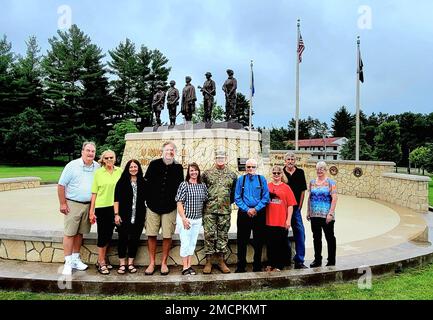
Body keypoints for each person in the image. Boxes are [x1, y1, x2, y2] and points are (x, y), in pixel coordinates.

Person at [57, 141, 100, 275]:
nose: (90, 153)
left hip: (88, 205)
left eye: (93, 151)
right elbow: (61, 185)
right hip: (73, 204)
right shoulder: (72, 165)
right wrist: (63, 203)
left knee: (80, 233)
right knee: (70, 233)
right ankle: (68, 262)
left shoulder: (97, 167)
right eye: (88, 150)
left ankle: (75, 258)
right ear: (82, 151)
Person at [144, 141, 184, 275]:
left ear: (175, 152)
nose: (170, 152)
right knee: (151, 234)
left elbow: (180, 188)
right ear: (163, 151)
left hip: (170, 207)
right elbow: (147, 183)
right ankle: (151, 262)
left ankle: (164, 263)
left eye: (172, 150)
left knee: (167, 236)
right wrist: (147, 200)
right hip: (152, 206)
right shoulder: (154, 164)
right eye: (167, 150)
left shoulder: (178, 167)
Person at [201, 150, 237, 274]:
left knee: (223, 235)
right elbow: (202, 190)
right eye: (218, 157)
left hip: (225, 210)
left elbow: (233, 193)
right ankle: (209, 262)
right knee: (209, 235)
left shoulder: (232, 175)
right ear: (214, 158)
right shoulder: (206, 174)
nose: (220, 159)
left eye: (222, 157)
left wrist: (226, 203)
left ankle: (221, 261)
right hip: (209, 210)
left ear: (226, 158)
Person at [89, 150, 122, 275]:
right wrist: (91, 211)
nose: (109, 160)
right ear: (103, 160)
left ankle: (103, 259)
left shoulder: (119, 171)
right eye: (106, 158)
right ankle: (101, 261)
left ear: (115, 158)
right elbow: (94, 193)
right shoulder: (98, 173)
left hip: (116, 207)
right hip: (102, 207)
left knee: (109, 235)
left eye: (111, 157)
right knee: (103, 235)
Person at [234, 159, 270, 273]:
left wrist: (256, 209)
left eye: (253, 167)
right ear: (245, 168)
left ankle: (257, 265)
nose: (250, 169)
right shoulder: (241, 180)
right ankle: (241, 266)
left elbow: (266, 197)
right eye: (248, 167)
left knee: (258, 241)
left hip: (258, 213)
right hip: (244, 213)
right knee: (242, 241)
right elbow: (237, 197)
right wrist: (247, 209)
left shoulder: (261, 179)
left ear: (256, 167)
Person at [113, 159, 147, 274]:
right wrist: (116, 214)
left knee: (134, 240)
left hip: (138, 216)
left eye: (135, 167)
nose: (133, 169)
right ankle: (122, 264)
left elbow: (147, 200)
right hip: (124, 216)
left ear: (138, 168)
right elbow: (116, 199)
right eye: (131, 167)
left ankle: (131, 263)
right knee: (122, 239)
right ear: (128, 169)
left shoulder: (143, 182)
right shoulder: (122, 182)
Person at [175, 163, 208, 275]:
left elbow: (205, 201)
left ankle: (189, 265)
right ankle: (185, 267)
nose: (194, 172)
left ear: (198, 171)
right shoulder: (184, 185)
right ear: (188, 172)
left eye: (195, 170)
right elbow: (179, 203)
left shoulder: (202, 185)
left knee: (192, 243)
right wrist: (184, 218)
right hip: (186, 219)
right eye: (191, 171)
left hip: (197, 220)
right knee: (185, 243)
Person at [265, 166, 297, 272]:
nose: (276, 175)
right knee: (270, 244)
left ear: (282, 174)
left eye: (278, 173)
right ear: (271, 174)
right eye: (274, 173)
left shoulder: (286, 187)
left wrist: (288, 220)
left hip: (281, 221)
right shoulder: (267, 186)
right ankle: (270, 263)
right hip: (269, 220)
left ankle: (279, 265)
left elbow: (290, 205)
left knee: (280, 244)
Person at [307, 161, 338, 268]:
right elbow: (309, 197)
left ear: (325, 170)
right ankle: (317, 260)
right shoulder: (312, 182)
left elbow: (334, 198)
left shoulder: (331, 182)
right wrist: (308, 211)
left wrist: (331, 213)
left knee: (329, 237)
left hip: (326, 216)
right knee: (316, 238)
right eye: (318, 168)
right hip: (314, 215)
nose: (319, 170)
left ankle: (331, 260)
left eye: (322, 168)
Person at [282, 152, 308, 269]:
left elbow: (303, 191)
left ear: (295, 160)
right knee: (283, 234)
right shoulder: (281, 173)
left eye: (292, 159)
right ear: (285, 161)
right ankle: (286, 258)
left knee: (300, 233)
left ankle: (299, 260)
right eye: (288, 159)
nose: (290, 161)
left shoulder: (300, 172)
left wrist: (300, 206)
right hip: (284, 209)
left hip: (296, 209)